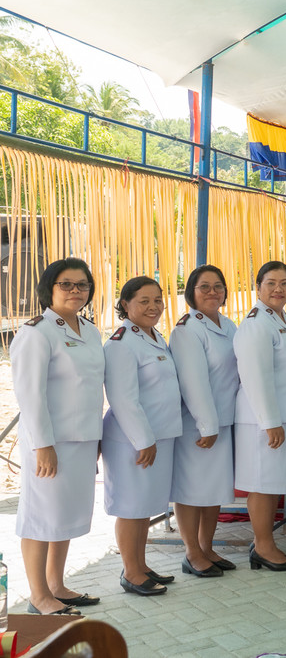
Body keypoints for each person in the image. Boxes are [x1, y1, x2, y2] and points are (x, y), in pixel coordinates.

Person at [11, 258, 105, 615]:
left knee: (63, 514)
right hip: (50, 442)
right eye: (66, 284)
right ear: (49, 288)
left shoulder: (90, 330)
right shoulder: (36, 332)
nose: (75, 290)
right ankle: (38, 595)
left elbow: (92, 388)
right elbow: (30, 395)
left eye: (82, 284)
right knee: (41, 515)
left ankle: (56, 585)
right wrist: (43, 445)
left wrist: (96, 436)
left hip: (82, 439)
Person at [102, 276, 182, 596]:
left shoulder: (153, 336)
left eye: (158, 300)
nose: (153, 307)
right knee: (130, 506)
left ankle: (141, 565)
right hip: (132, 439)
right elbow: (123, 398)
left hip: (157, 435)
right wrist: (143, 439)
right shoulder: (121, 343)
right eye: (144, 301)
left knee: (144, 505)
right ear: (125, 304)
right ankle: (131, 572)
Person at [233, 260, 286, 572]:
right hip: (264, 421)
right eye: (271, 283)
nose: (279, 289)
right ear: (258, 287)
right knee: (262, 484)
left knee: (273, 482)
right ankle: (263, 546)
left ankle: (264, 543)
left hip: (285, 416)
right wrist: (270, 421)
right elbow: (256, 377)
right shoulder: (256, 323)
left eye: (285, 283)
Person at [169, 265, 239, 578]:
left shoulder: (229, 325)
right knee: (192, 489)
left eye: (218, 286)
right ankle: (192, 552)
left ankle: (207, 547)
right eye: (204, 287)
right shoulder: (187, 330)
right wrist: (207, 425)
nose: (213, 292)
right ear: (191, 293)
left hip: (224, 421)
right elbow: (193, 383)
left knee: (213, 489)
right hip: (197, 426)